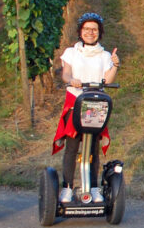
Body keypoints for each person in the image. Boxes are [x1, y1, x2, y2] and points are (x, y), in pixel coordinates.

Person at [51, 13, 119, 204]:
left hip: (96, 102)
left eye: (94, 29)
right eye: (87, 29)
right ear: (80, 31)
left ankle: (94, 187)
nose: (90, 32)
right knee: (72, 146)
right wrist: (71, 80)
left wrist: (115, 65)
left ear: (99, 32)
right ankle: (67, 187)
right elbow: (65, 74)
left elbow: (109, 79)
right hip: (75, 99)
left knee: (93, 148)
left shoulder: (105, 55)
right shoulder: (71, 52)